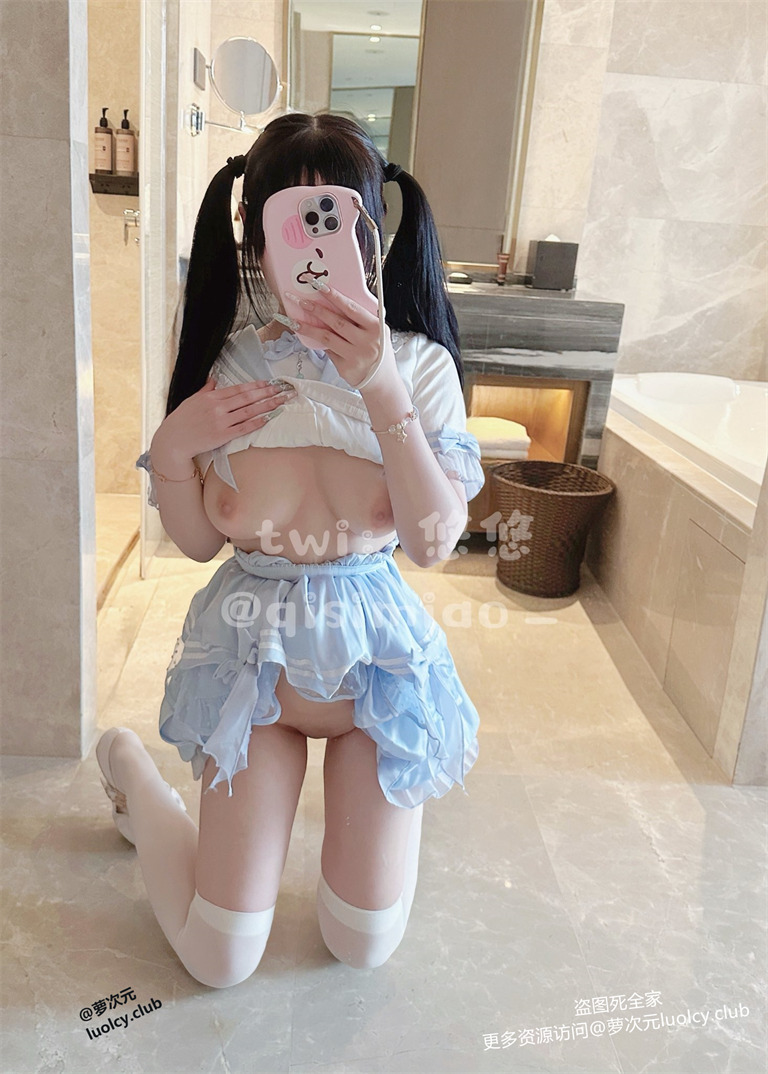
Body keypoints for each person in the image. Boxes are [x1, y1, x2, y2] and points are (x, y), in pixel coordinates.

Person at [96, 112, 485, 989]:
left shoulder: (420, 366)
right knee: (220, 956)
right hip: (254, 675)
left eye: (335, 219)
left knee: (361, 944)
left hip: (375, 679)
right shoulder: (227, 364)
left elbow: (432, 544)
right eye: (290, 221)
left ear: (372, 231)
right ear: (254, 235)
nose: (313, 246)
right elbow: (199, 542)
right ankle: (127, 768)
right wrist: (173, 447)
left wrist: (379, 384)